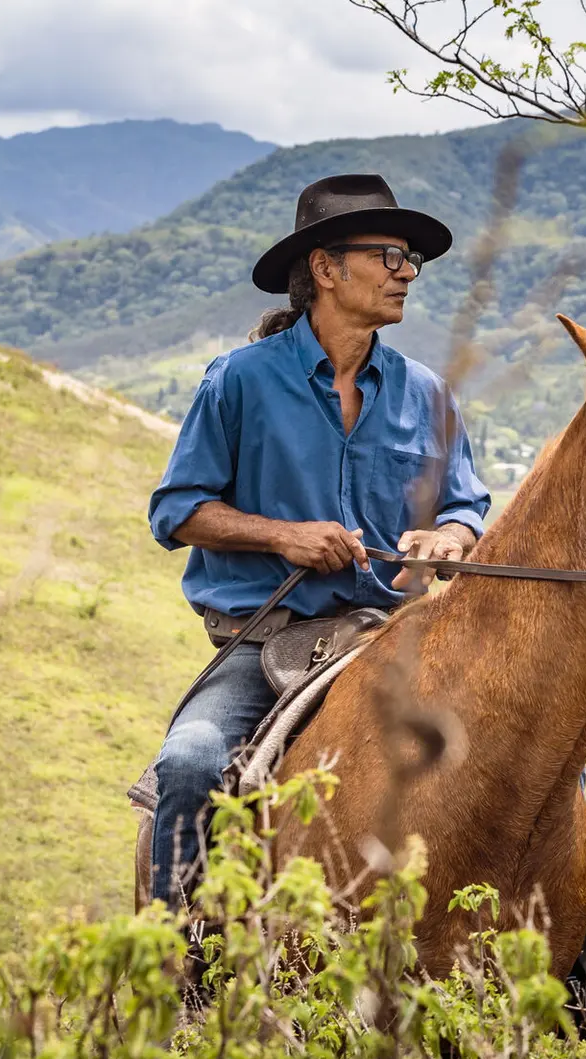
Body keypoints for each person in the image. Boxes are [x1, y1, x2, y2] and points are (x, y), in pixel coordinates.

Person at [144, 174, 491, 909]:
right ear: (327, 269)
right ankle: (180, 961)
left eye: (411, 261)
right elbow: (175, 512)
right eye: (390, 256)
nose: (406, 274)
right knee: (190, 762)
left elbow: (466, 508)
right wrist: (284, 537)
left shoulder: (425, 391)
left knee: (532, 751)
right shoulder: (238, 382)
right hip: (269, 643)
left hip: (397, 637)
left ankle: (571, 954)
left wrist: (449, 539)